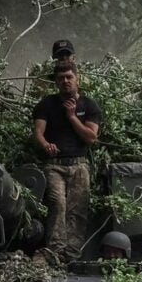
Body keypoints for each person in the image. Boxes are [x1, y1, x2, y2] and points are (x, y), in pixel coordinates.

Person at [32, 60, 102, 262]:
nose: (65, 81)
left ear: (77, 78)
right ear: (56, 81)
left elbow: (90, 137)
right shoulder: (46, 104)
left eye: (69, 77)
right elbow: (38, 133)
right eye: (61, 78)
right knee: (58, 204)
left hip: (79, 164)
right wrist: (46, 145)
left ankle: (71, 255)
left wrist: (71, 116)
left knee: (77, 209)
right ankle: (55, 251)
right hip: (55, 165)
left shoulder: (89, 105)